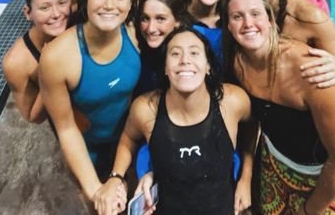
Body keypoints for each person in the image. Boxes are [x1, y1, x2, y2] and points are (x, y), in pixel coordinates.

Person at [224, 0, 335, 215]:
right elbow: (253, 122)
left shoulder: (312, 71)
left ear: (271, 21)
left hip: (325, 181)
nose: (248, 23)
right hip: (274, 169)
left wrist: (309, 211)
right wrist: (246, 177)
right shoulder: (240, 63)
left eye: (255, 14)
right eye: (237, 16)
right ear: (229, 26)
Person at [94, 27, 254, 215]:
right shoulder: (146, 109)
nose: (185, 60)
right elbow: (128, 137)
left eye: (194, 53)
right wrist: (117, 176)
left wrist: (246, 178)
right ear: (165, 68)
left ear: (208, 65)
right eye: (175, 53)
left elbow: (252, 128)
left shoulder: (233, 101)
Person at [39, 0, 140, 211]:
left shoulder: (137, 35)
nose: (109, 5)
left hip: (130, 141)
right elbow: (65, 128)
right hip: (87, 147)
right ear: (84, 0)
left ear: (130, 3)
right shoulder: (57, 57)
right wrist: (96, 191)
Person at [2, 0, 71, 123]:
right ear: (28, 13)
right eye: (44, 7)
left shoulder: (78, 27)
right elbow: (34, 117)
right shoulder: (16, 62)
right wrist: (49, 74)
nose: (56, 14)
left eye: (62, 3)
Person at [134, 0, 192, 95]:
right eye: (145, 18)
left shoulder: (194, 50)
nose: (151, 28)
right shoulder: (136, 51)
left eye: (160, 19)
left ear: (178, 21)